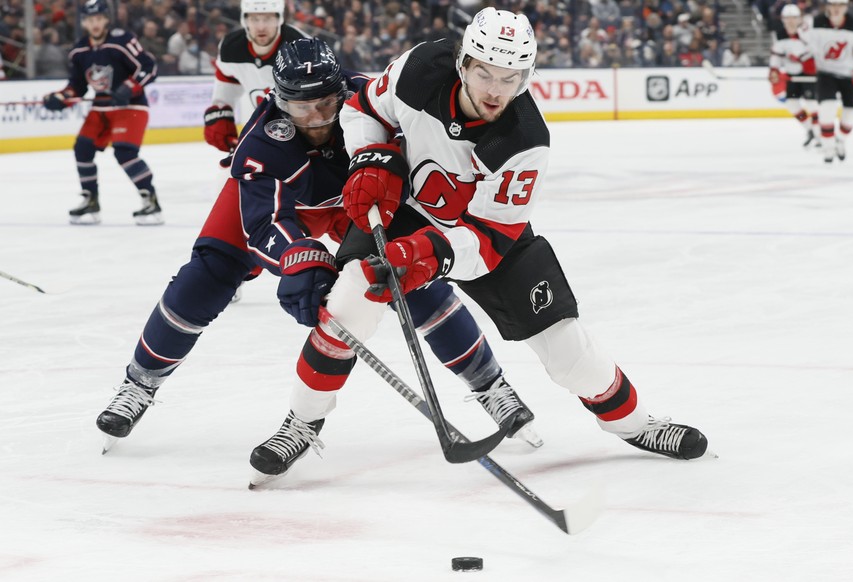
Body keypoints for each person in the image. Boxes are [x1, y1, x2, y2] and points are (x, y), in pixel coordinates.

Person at [250, 8, 709, 484]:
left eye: (510, 79)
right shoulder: (419, 70)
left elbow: (489, 237)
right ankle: (301, 423)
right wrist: (371, 158)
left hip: (482, 236)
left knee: (569, 352)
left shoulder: (525, 140)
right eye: (484, 73)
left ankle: (634, 426)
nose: (494, 90)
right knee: (348, 303)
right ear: (462, 63)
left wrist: (429, 254)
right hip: (405, 209)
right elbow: (365, 108)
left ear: (526, 78)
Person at [95, 38, 540, 460]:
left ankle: (489, 384)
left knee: (407, 272)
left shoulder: (370, 98)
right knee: (207, 274)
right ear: (278, 101)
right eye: (301, 107)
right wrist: (299, 259)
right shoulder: (263, 143)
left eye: (327, 103)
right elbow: (267, 222)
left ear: (341, 91)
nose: (317, 118)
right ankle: (141, 382)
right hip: (286, 206)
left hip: (357, 198)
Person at [42, 0, 162, 225]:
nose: (95, 24)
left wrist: (129, 87)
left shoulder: (122, 41)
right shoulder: (79, 50)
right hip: (101, 107)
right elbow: (76, 87)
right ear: (84, 22)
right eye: (90, 19)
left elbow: (149, 67)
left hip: (130, 107)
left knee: (124, 152)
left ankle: (151, 201)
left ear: (106, 19)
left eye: (98, 19)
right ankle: (90, 200)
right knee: (82, 148)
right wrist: (61, 98)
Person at [202, 0, 309, 157]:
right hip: (265, 137)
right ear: (244, 20)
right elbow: (226, 81)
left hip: (304, 139)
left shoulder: (301, 47)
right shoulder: (230, 47)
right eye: (254, 19)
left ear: (279, 18)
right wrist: (220, 112)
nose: (260, 27)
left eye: (268, 18)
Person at [805, 0, 853, 163]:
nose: (835, 9)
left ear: (846, 7)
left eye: (839, 5)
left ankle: (840, 140)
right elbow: (807, 46)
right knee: (827, 108)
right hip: (826, 73)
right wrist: (807, 59)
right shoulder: (815, 23)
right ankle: (828, 148)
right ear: (827, 6)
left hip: (849, 75)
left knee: (852, 114)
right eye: (832, 5)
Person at [769, 4, 821, 148]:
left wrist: (802, 59)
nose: (791, 21)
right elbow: (776, 56)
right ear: (783, 19)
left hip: (808, 74)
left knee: (812, 104)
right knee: (792, 104)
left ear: (799, 18)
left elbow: (816, 51)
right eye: (787, 18)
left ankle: (819, 134)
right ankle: (810, 129)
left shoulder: (806, 32)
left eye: (794, 18)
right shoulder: (778, 34)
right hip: (792, 75)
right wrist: (774, 71)